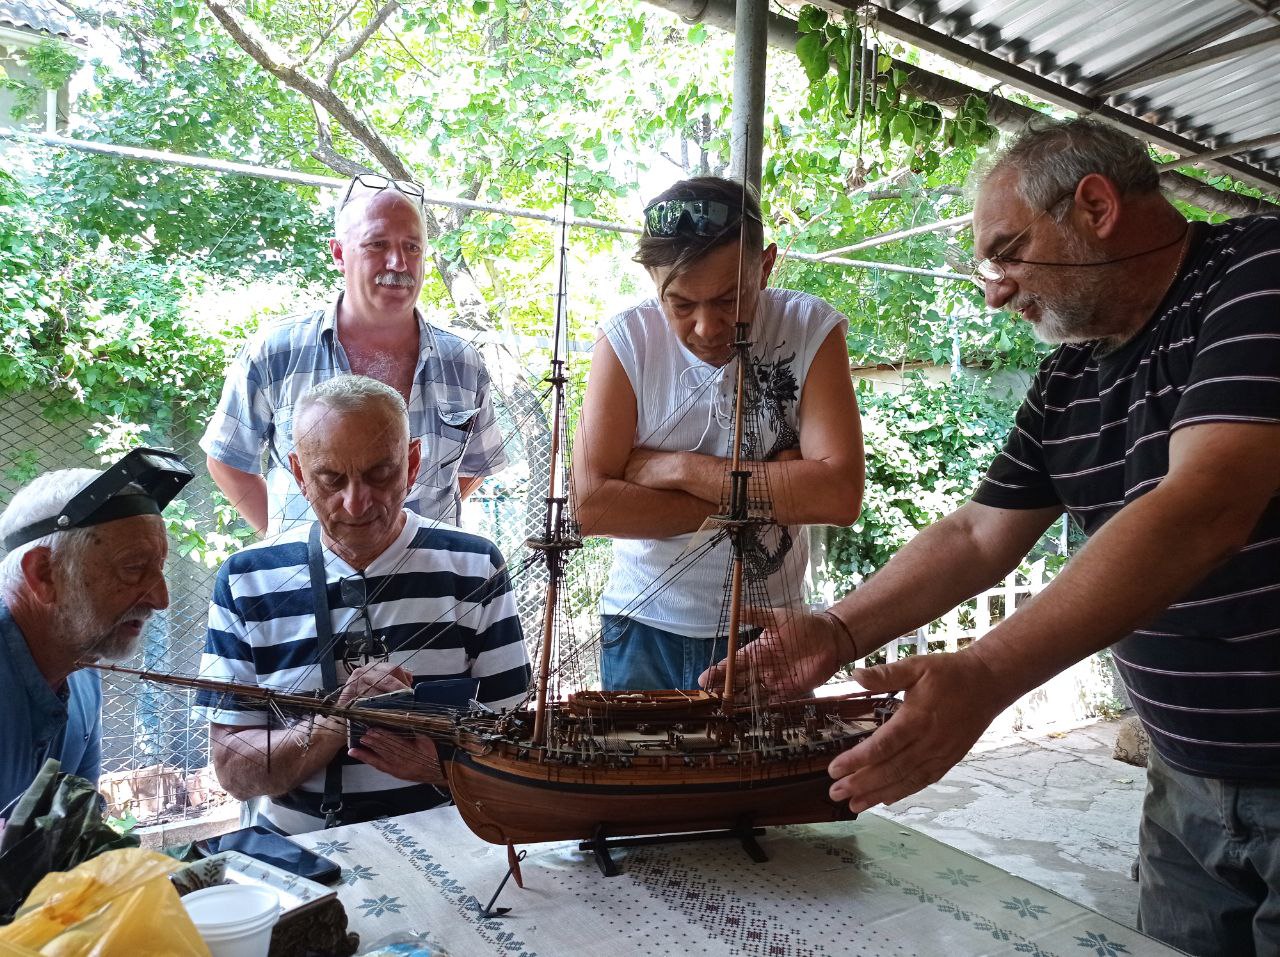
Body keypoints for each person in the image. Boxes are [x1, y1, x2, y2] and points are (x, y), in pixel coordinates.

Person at [706, 118, 1280, 957]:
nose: (995, 290)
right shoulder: (1072, 373)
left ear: (1095, 205)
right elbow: (978, 535)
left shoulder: (1258, 272)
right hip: (1186, 784)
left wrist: (985, 673)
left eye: (1007, 251)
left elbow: (1207, 500)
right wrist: (838, 630)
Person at [195, 375, 531, 834]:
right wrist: (336, 721)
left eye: (380, 473)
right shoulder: (247, 579)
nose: (356, 503)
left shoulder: (473, 566)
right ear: (299, 474)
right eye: (331, 479)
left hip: (447, 840)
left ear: (412, 464)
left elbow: (517, 745)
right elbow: (235, 772)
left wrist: (438, 767)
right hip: (304, 848)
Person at [573, 176, 864, 691]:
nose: (707, 327)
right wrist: (773, 489)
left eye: (730, 299)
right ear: (651, 281)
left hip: (767, 628)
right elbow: (592, 507)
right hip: (642, 627)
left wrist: (679, 469)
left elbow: (839, 495)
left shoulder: (809, 329)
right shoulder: (626, 341)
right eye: (680, 305)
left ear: (766, 265)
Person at [201, 173, 508, 536]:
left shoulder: (463, 363)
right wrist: (290, 545)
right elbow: (228, 460)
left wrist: (404, 536)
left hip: (426, 587)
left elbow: (473, 468)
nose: (398, 262)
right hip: (307, 585)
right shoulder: (276, 351)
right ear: (339, 254)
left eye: (412, 247)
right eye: (377, 244)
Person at [0, 449, 190, 815]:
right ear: (43, 574)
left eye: (159, 568)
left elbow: (78, 829)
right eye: (133, 567)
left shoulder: (83, 673)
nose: (160, 599)